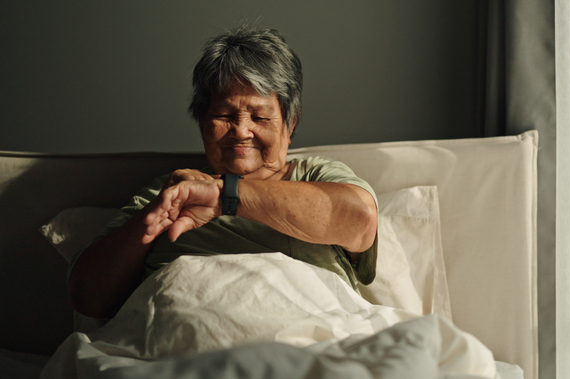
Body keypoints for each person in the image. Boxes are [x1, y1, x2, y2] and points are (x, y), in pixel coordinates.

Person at [68, 27, 379, 319]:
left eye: (259, 116)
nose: (242, 130)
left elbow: (360, 220)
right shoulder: (173, 190)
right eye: (224, 115)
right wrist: (147, 223)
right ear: (202, 121)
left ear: (290, 123)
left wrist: (223, 195)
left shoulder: (316, 175)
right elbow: (86, 297)